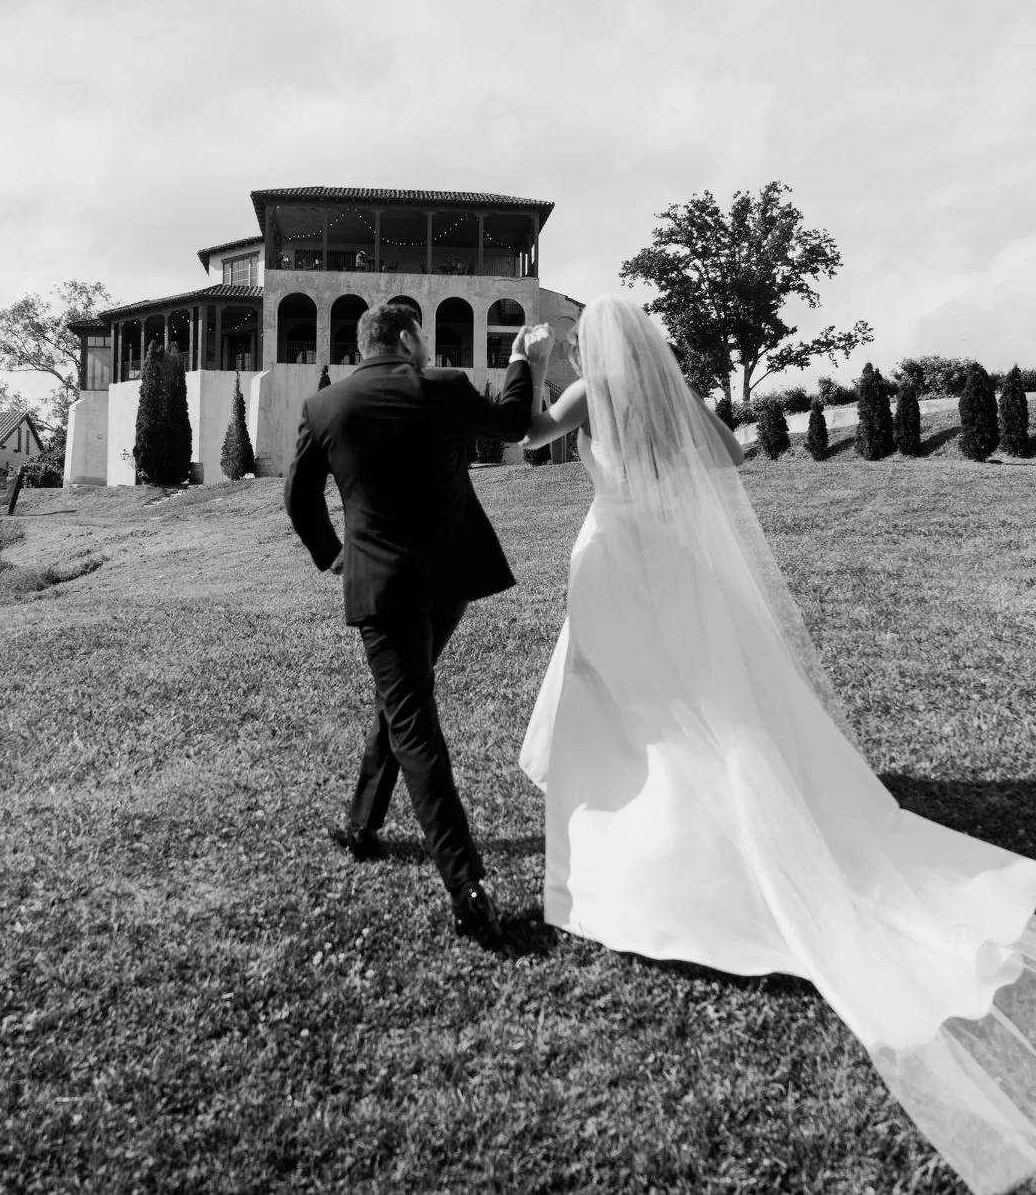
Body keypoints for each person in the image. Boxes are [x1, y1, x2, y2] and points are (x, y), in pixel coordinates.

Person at [517, 295, 1036, 1195]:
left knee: (634, 710)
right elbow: (729, 455)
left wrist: (538, 368)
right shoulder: (668, 393)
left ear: (592, 346)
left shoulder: (583, 392)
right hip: (673, 563)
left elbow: (529, 439)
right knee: (702, 708)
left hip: (610, 560)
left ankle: (644, 849)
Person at [285, 301, 551, 950]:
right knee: (407, 709)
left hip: (382, 587)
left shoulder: (325, 408)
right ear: (407, 338)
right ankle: (384, 836)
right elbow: (515, 422)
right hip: (451, 579)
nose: (426, 347)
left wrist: (333, 553)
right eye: (422, 338)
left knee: (410, 716)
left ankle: (458, 884)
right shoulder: (442, 388)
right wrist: (522, 360)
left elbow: (297, 496)